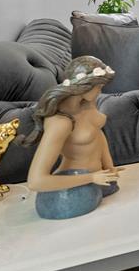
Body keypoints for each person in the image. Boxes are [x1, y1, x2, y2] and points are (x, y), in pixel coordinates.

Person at [21, 56, 120, 218]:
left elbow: (96, 134)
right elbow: (35, 181)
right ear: (85, 86)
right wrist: (92, 177)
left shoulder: (87, 103)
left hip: (101, 180)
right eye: (99, 86)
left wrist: (109, 166)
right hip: (73, 190)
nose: (100, 91)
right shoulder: (60, 121)